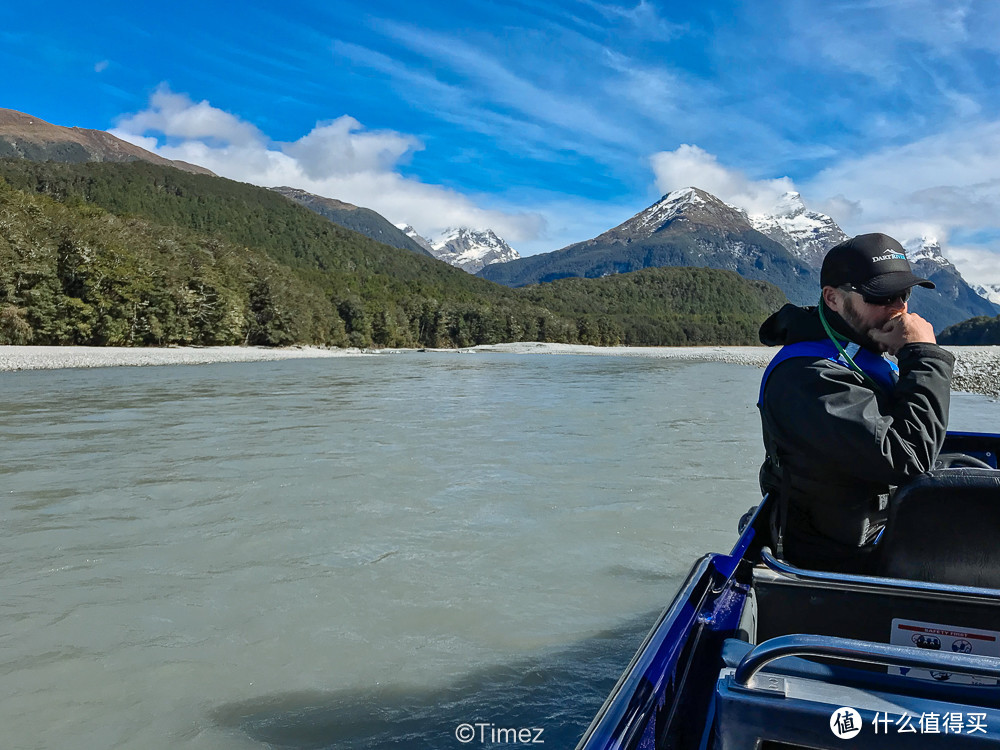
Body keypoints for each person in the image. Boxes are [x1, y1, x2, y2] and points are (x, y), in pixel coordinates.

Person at [756, 232, 955, 573]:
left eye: (903, 295)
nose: (899, 310)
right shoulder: (806, 377)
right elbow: (908, 456)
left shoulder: (859, 348)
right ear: (832, 299)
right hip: (833, 560)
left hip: (879, 529)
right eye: (881, 296)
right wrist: (923, 356)